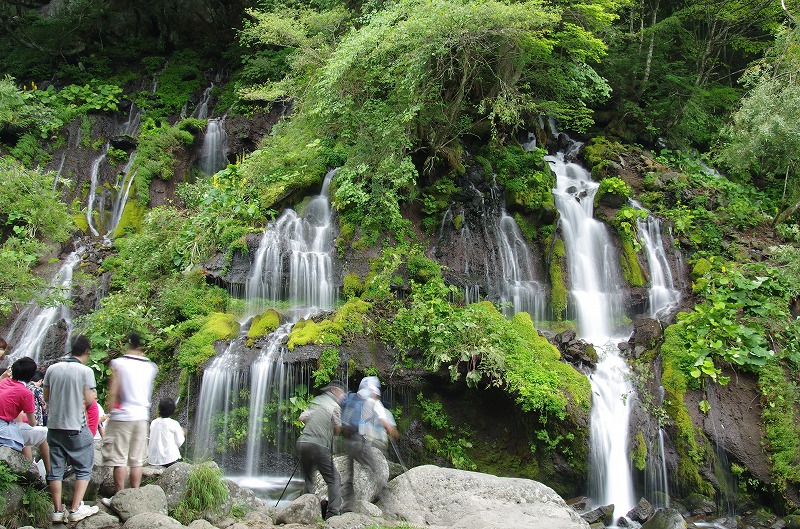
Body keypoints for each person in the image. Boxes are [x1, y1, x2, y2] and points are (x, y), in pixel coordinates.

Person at [43, 335, 99, 523]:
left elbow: (47, 397)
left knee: (55, 470)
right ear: (86, 351)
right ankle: (75, 508)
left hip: (54, 428)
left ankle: (57, 510)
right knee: (84, 467)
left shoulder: (52, 369)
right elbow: (90, 401)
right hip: (76, 427)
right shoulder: (86, 371)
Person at [101, 333, 158, 500]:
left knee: (119, 458)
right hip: (141, 416)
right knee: (137, 459)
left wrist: (109, 410)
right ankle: (134, 496)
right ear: (142, 346)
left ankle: (119, 497)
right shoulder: (151, 367)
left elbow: (115, 391)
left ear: (128, 344)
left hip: (122, 415)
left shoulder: (119, 364)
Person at [341, 376, 398, 510]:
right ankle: (388, 504)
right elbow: (386, 424)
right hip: (362, 442)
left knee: (350, 476)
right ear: (374, 390)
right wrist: (393, 433)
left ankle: (346, 506)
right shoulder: (373, 401)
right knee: (376, 470)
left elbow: (345, 425)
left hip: (350, 443)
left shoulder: (352, 399)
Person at [296, 380, 346, 519]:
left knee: (309, 478)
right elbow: (337, 428)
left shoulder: (317, 401)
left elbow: (301, 417)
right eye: (342, 393)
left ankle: (306, 510)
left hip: (303, 443)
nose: (343, 396)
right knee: (334, 479)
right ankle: (333, 514)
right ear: (334, 391)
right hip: (319, 445)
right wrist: (332, 433)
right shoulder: (334, 406)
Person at [0, 357, 50, 475]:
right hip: (3, 430)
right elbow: (33, 423)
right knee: (42, 434)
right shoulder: (26, 393)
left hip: (7, 425)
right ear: (31, 376)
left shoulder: (4, 382)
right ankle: (50, 473)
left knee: (22, 431)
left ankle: (29, 468)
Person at [147, 398, 185, 467]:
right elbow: (179, 442)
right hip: (169, 460)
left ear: (159, 410)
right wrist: (182, 433)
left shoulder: (153, 422)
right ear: (173, 410)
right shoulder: (174, 423)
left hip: (152, 460)